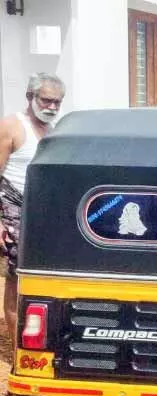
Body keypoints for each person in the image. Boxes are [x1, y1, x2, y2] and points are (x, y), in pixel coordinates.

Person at [0, 73, 65, 354]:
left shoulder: (55, 131)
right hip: (14, 211)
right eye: (46, 100)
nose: (51, 106)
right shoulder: (11, 127)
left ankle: (42, 340)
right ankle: (18, 352)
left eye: (57, 102)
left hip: (44, 214)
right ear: (30, 97)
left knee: (44, 280)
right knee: (18, 278)